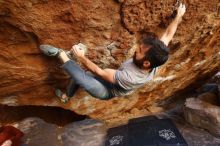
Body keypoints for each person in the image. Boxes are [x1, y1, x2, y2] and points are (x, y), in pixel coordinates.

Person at [40, 3, 186, 103]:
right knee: (77, 78)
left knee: (84, 79)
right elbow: (167, 36)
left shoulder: (130, 77)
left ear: (146, 63)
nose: (136, 49)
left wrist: (80, 57)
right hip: (111, 78)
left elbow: (99, 71)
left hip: (107, 91)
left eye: (140, 51)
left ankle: (61, 54)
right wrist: (178, 16)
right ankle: (68, 96)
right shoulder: (157, 58)